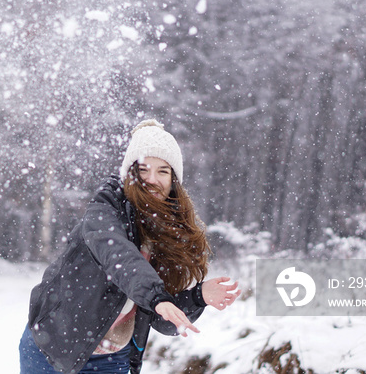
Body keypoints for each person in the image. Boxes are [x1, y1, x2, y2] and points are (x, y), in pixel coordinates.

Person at [19, 119, 241, 374]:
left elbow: (162, 318)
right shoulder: (105, 208)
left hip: (112, 360)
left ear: (174, 180)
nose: (152, 179)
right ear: (130, 173)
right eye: (144, 169)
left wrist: (198, 297)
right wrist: (157, 297)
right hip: (55, 347)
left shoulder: (168, 232)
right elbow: (119, 258)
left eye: (163, 171)